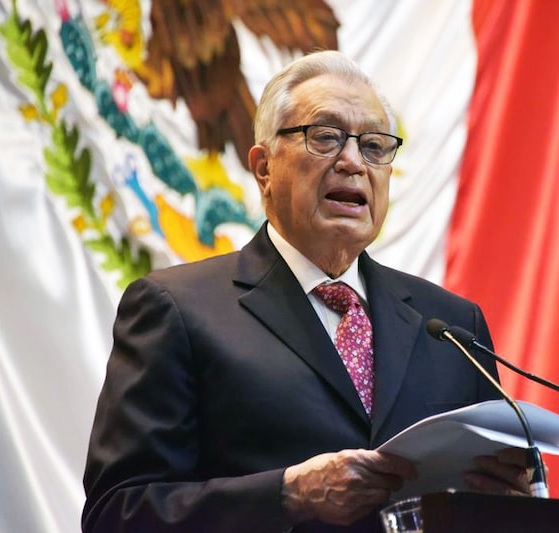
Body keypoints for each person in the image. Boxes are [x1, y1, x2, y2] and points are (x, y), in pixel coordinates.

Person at [82, 50, 531, 533]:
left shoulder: (453, 325)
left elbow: (502, 501)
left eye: (375, 145)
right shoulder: (178, 310)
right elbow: (117, 513)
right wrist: (287, 495)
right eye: (325, 137)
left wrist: (512, 503)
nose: (354, 162)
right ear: (264, 168)